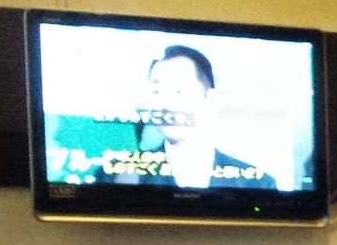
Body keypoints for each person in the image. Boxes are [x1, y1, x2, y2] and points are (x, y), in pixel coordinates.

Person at [110, 44, 276, 189]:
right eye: (156, 92)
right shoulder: (119, 173)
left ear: (211, 99)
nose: (165, 104)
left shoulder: (257, 183)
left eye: (178, 91)